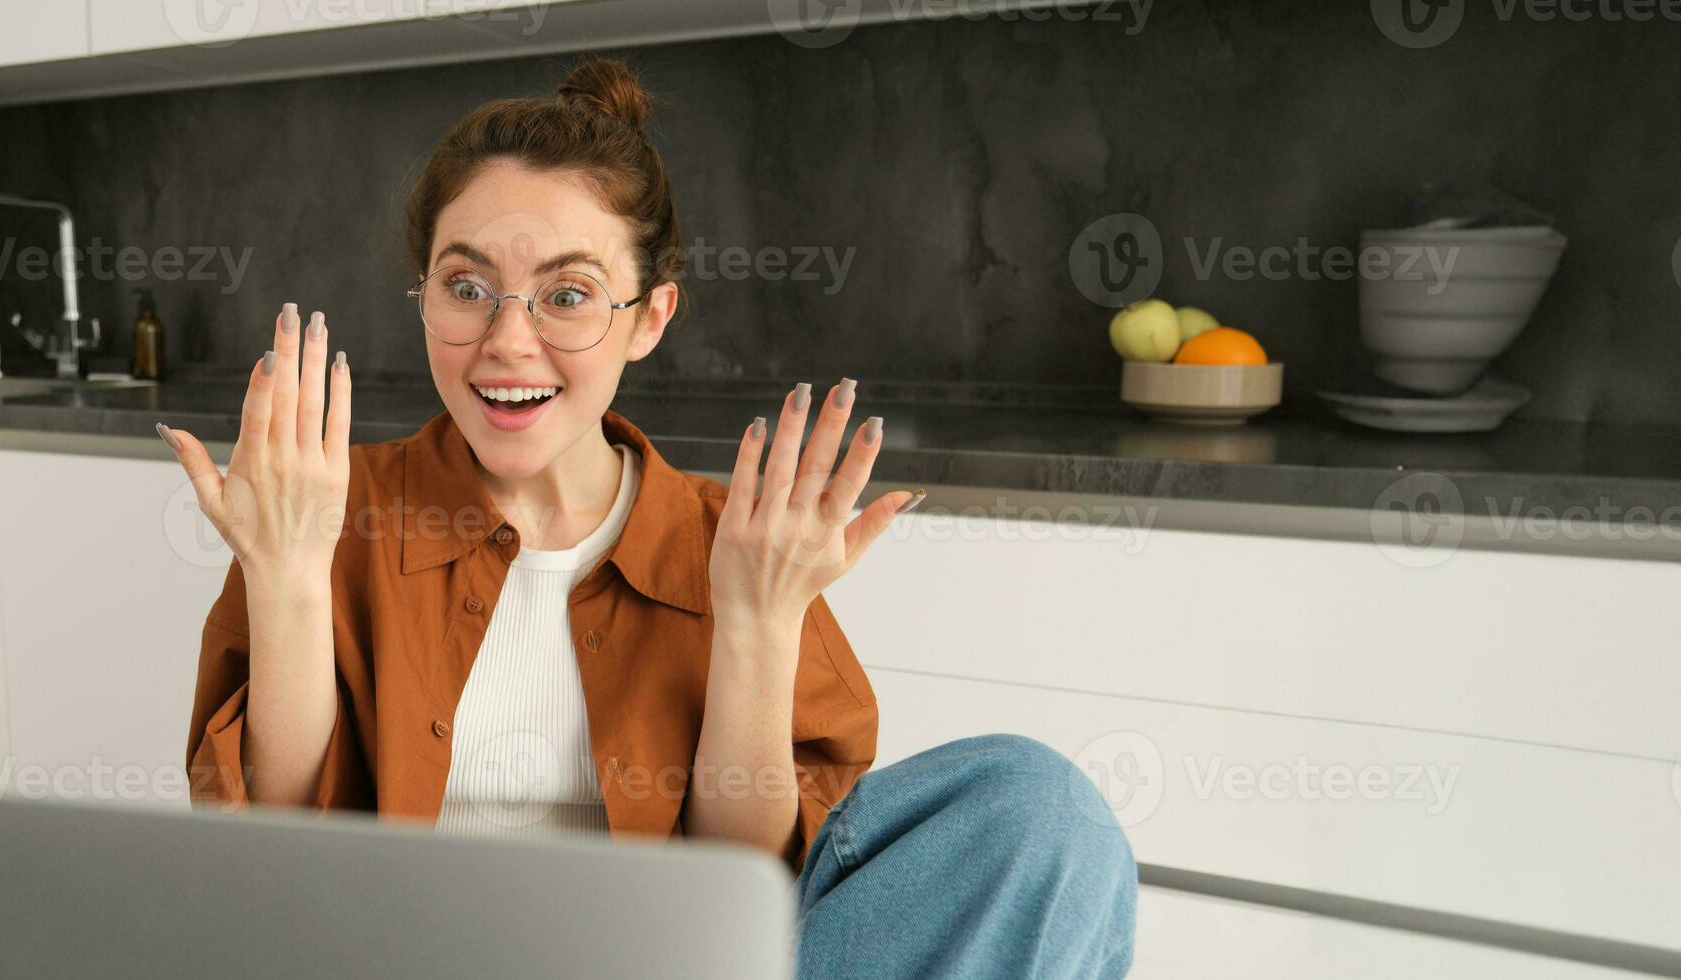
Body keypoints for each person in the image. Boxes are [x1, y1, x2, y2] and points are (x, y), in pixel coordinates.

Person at [156, 57, 1136, 979]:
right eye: (466, 286)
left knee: (1042, 809)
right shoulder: (328, 509)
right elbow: (271, 851)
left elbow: (750, 892)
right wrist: (285, 580)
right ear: (424, 295)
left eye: (567, 295)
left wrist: (755, 623)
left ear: (650, 316)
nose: (506, 341)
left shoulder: (728, 541)